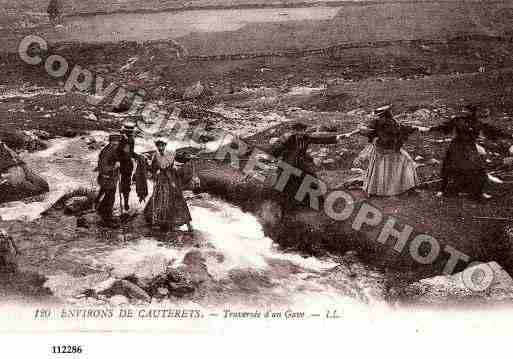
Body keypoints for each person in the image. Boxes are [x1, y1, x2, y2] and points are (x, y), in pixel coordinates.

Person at [424, 105, 508, 200]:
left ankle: (477, 193)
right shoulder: (457, 120)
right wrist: (429, 129)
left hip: (470, 147)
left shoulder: (477, 123)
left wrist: (506, 135)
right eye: (463, 110)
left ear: (472, 112)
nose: (463, 112)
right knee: (449, 168)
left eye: (466, 110)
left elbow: (492, 131)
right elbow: (445, 127)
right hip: (456, 147)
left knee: (478, 168)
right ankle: (443, 190)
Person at [344, 106, 420, 197]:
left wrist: (361, 132)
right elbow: (398, 134)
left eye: (380, 115)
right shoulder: (390, 123)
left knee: (382, 168)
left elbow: (369, 132)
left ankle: (377, 190)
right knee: (406, 162)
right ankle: (402, 188)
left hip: (382, 150)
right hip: (388, 150)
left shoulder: (379, 122)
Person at [271, 122, 341, 208]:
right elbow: (276, 151)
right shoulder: (288, 139)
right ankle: (280, 207)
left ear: (304, 131)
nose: (299, 133)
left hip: (299, 165)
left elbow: (319, 139)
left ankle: (315, 205)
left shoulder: (306, 138)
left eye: (301, 131)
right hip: (287, 166)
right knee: (282, 187)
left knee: (311, 180)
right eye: (297, 131)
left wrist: (336, 138)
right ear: (293, 131)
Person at [144, 139, 193, 233]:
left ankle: (186, 223)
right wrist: (145, 162)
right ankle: (161, 222)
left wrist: (187, 157)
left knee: (177, 199)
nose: (160, 148)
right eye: (159, 146)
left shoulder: (171, 154)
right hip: (161, 180)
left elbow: (181, 158)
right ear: (157, 147)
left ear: (165, 146)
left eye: (162, 146)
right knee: (159, 199)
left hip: (172, 179)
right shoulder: (155, 156)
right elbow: (153, 168)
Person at [96, 134, 122, 224]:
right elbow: (103, 167)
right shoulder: (106, 152)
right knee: (110, 197)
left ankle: (101, 210)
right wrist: (114, 167)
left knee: (109, 196)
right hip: (106, 178)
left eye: (117, 142)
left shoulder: (113, 149)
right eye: (114, 142)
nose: (116, 144)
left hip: (111, 178)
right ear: (110, 142)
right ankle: (107, 217)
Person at [118, 123, 137, 211]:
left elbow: (129, 153)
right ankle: (124, 203)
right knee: (124, 185)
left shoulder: (128, 140)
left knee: (125, 185)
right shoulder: (125, 140)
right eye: (128, 132)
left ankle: (125, 203)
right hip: (123, 165)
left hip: (126, 165)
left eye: (130, 132)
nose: (129, 134)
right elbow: (125, 153)